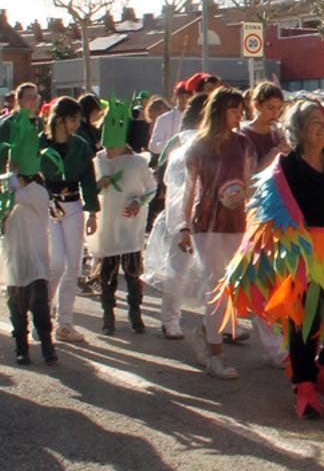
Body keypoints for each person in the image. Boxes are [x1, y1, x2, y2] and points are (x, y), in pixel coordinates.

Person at [219, 99, 324, 419]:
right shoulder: (285, 168)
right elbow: (266, 216)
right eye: (316, 122)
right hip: (302, 257)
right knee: (305, 323)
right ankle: (303, 385)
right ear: (298, 130)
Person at [179, 87, 281, 378]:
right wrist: (184, 226)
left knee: (254, 284)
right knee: (217, 288)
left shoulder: (243, 144)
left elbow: (250, 183)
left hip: (239, 223)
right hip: (207, 225)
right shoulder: (198, 146)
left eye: (240, 110)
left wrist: (253, 214)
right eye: (233, 110)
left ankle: (271, 348)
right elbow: (189, 190)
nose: (239, 115)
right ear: (218, 111)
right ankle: (216, 355)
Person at [87, 97, 157, 336]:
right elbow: (89, 190)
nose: (109, 150)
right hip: (107, 224)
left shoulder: (137, 162)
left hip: (130, 224)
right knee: (107, 272)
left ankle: (135, 313)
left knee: (132, 270)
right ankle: (108, 313)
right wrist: (99, 185)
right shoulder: (99, 160)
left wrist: (138, 202)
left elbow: (151, 188)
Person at [143, 93, 208, 339]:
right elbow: (164, 174)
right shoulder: (181, 142)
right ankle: (170, 319)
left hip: (209, 212)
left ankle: (219, 323)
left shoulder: (219, 142)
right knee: (178, 268)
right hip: (181, 213)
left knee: (214, 271)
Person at [40, 97, 99, 343]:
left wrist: (92, 212)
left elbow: (88, 180)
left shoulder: (81, 145)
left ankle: (65, 323)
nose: (76, 124)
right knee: (56, 263)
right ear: (60, 119)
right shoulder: (40, 143)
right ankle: (43, 315)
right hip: (48, 206)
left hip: (73, 205)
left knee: (73, 266)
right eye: (73, 119)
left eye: (78, 120)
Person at [1, 114, 58, 365]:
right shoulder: (9, 189)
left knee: (39, 304)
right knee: (16, 303)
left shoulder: (38, 192)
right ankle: (21, 347)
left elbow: (16, 195)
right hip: (14, 254)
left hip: (35, 256)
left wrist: (10, 178)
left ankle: (47, 346)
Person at [242, 82, 290, 173]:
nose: (275, 113)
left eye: (279, 108)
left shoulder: (278, 132)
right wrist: (275, 152)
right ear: (257, 105)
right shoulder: (244, 135)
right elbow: (250, 173)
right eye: (271, 108)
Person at [0, 82, 42, 171]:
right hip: (15, 175)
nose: (34, 100)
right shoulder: (8, 124)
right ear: (19, 100)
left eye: (36, 96)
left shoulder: (40, 123)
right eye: (29, 97)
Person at [149, 82, 192, 155]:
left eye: (188, 97)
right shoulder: (163, 119)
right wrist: (172, 144)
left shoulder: (197, 118)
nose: (184, 99)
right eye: (181, 96)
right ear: (175, 98)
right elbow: (153, 146)